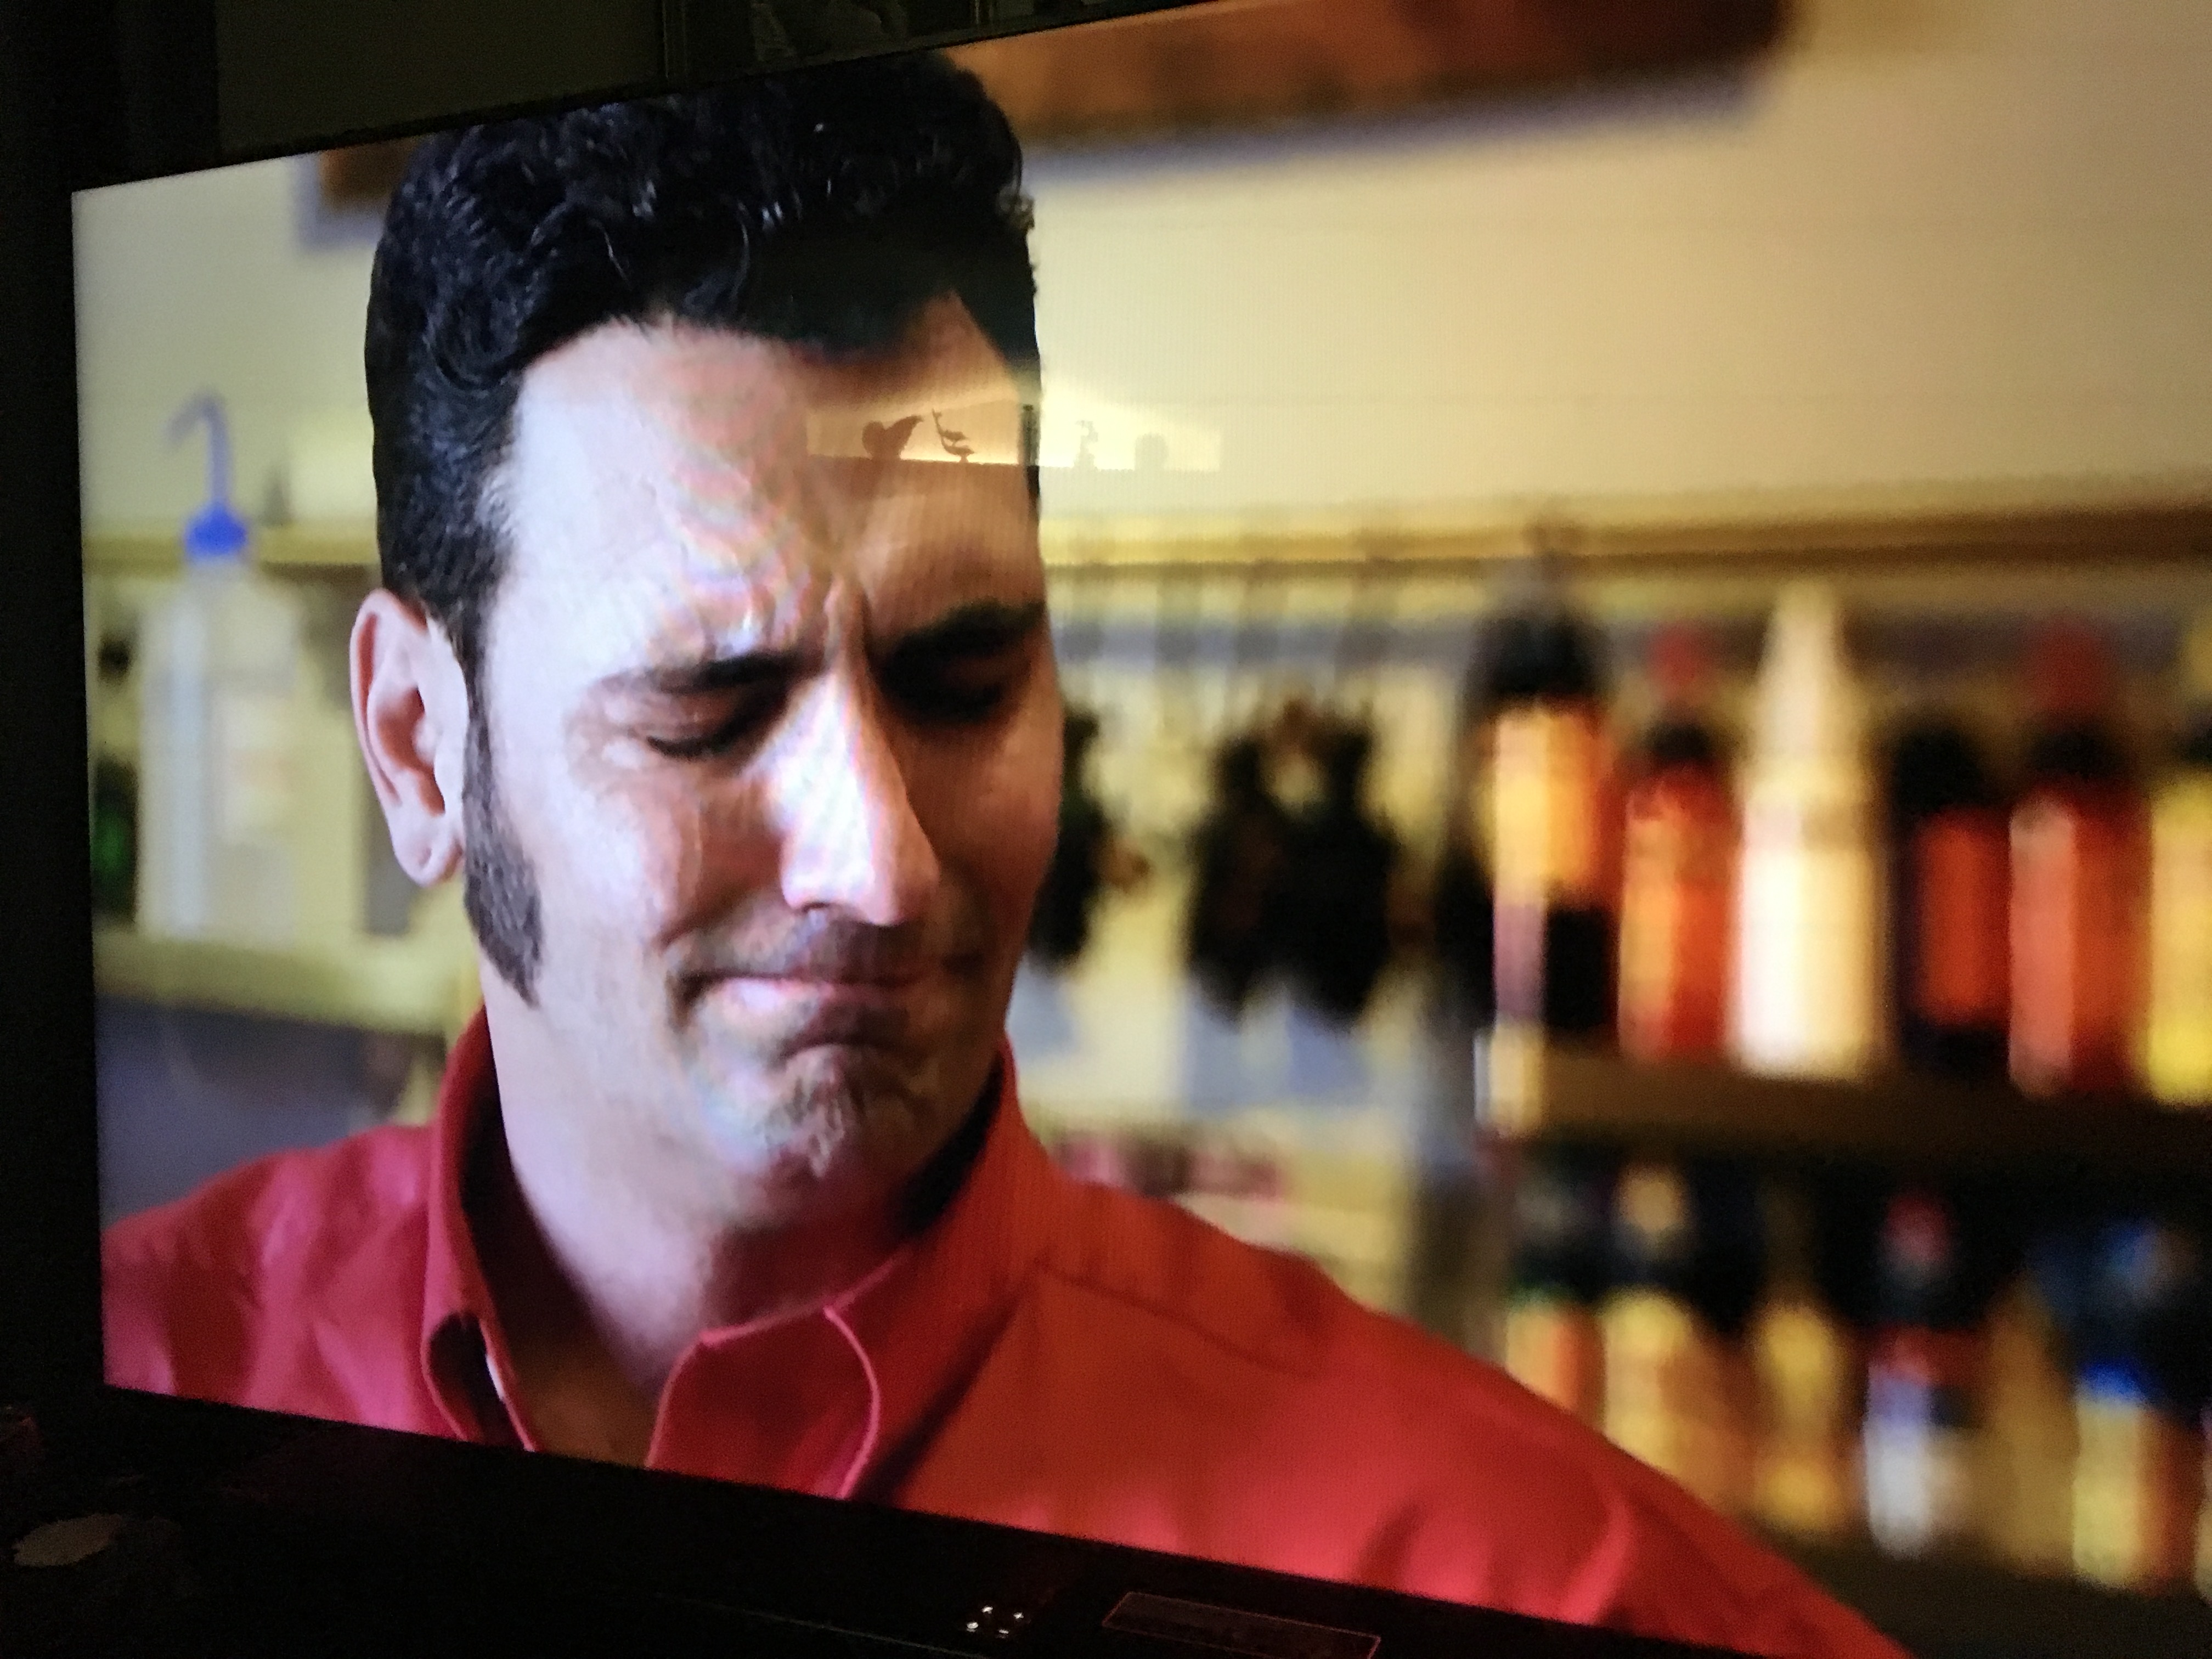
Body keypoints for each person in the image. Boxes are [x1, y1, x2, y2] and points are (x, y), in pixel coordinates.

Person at [104, 55, 1898, 1657]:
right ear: (418, 746)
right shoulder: (125, 1403)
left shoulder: (1510, 1581)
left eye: (962, 679)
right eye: (708, 712)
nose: (883, 866)